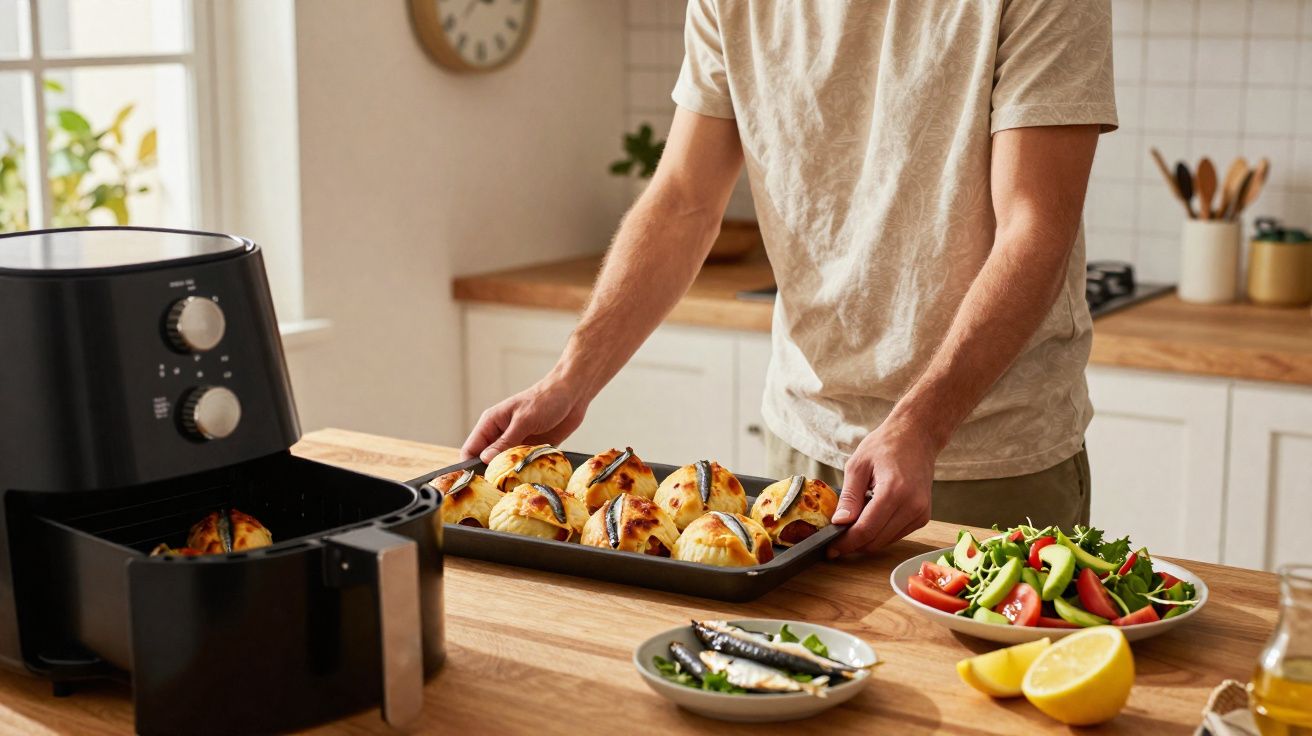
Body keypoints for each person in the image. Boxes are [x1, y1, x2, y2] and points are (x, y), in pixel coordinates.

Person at [462, 0, 1116, 557]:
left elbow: (1034, 227)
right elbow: (684, 201)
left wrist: (921, 424)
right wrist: (569, 381)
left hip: (988, 453)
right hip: (803, 445)